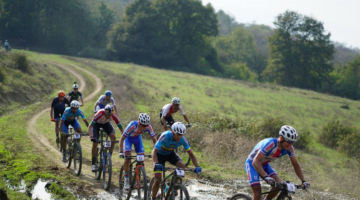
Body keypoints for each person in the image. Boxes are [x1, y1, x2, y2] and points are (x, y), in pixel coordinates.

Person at [245, 125, 310, 200]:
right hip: (252, 164)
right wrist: (266, 177)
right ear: (281, 138)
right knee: (257, 192)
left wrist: (303, 181)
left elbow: (295, 164)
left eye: (292, 142)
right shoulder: (270, 144)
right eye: (289, 141)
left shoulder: (290, 149)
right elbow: (255, 161)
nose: (290, 144)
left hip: (264, 165)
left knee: (278, 185)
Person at [150, 122, 202, 200]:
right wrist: (156, 163)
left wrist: (197, 166)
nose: (179, 137)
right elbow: (154, 151)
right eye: (178, 134)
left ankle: (172, 185)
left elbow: (191, 154)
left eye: (182, 135)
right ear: (173, 132)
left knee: (182, 166)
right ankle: (153, 198)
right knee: (158, 180)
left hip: (170, 154)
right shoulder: (165, 135)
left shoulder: (183, 139)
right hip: (159, 155)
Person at [119, 113, 157, 189]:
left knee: (141, 158)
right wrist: (121, 151)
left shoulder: (148, 127)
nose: (145, 127)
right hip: (128, 139)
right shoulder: (132, 125)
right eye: (143, 125)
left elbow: (154, 139)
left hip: (137, 139)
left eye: (146, 125)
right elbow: (122, 138)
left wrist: (156, 151)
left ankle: (138, 176)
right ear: (139, 122)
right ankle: (126, 179)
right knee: (127, 158)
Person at [88, 104, 124, 172]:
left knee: (113, 138)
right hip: (96, 125)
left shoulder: (113, 115)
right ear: (105, 112)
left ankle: (109, 155)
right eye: (108, 115)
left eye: (110, 115)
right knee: (95, 143)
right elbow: (90, 126)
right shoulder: (100, 113)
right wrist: (91, 136)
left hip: (105, 124)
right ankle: (93, 163)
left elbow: (121, 128)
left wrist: (123, 136)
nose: (109, 116)